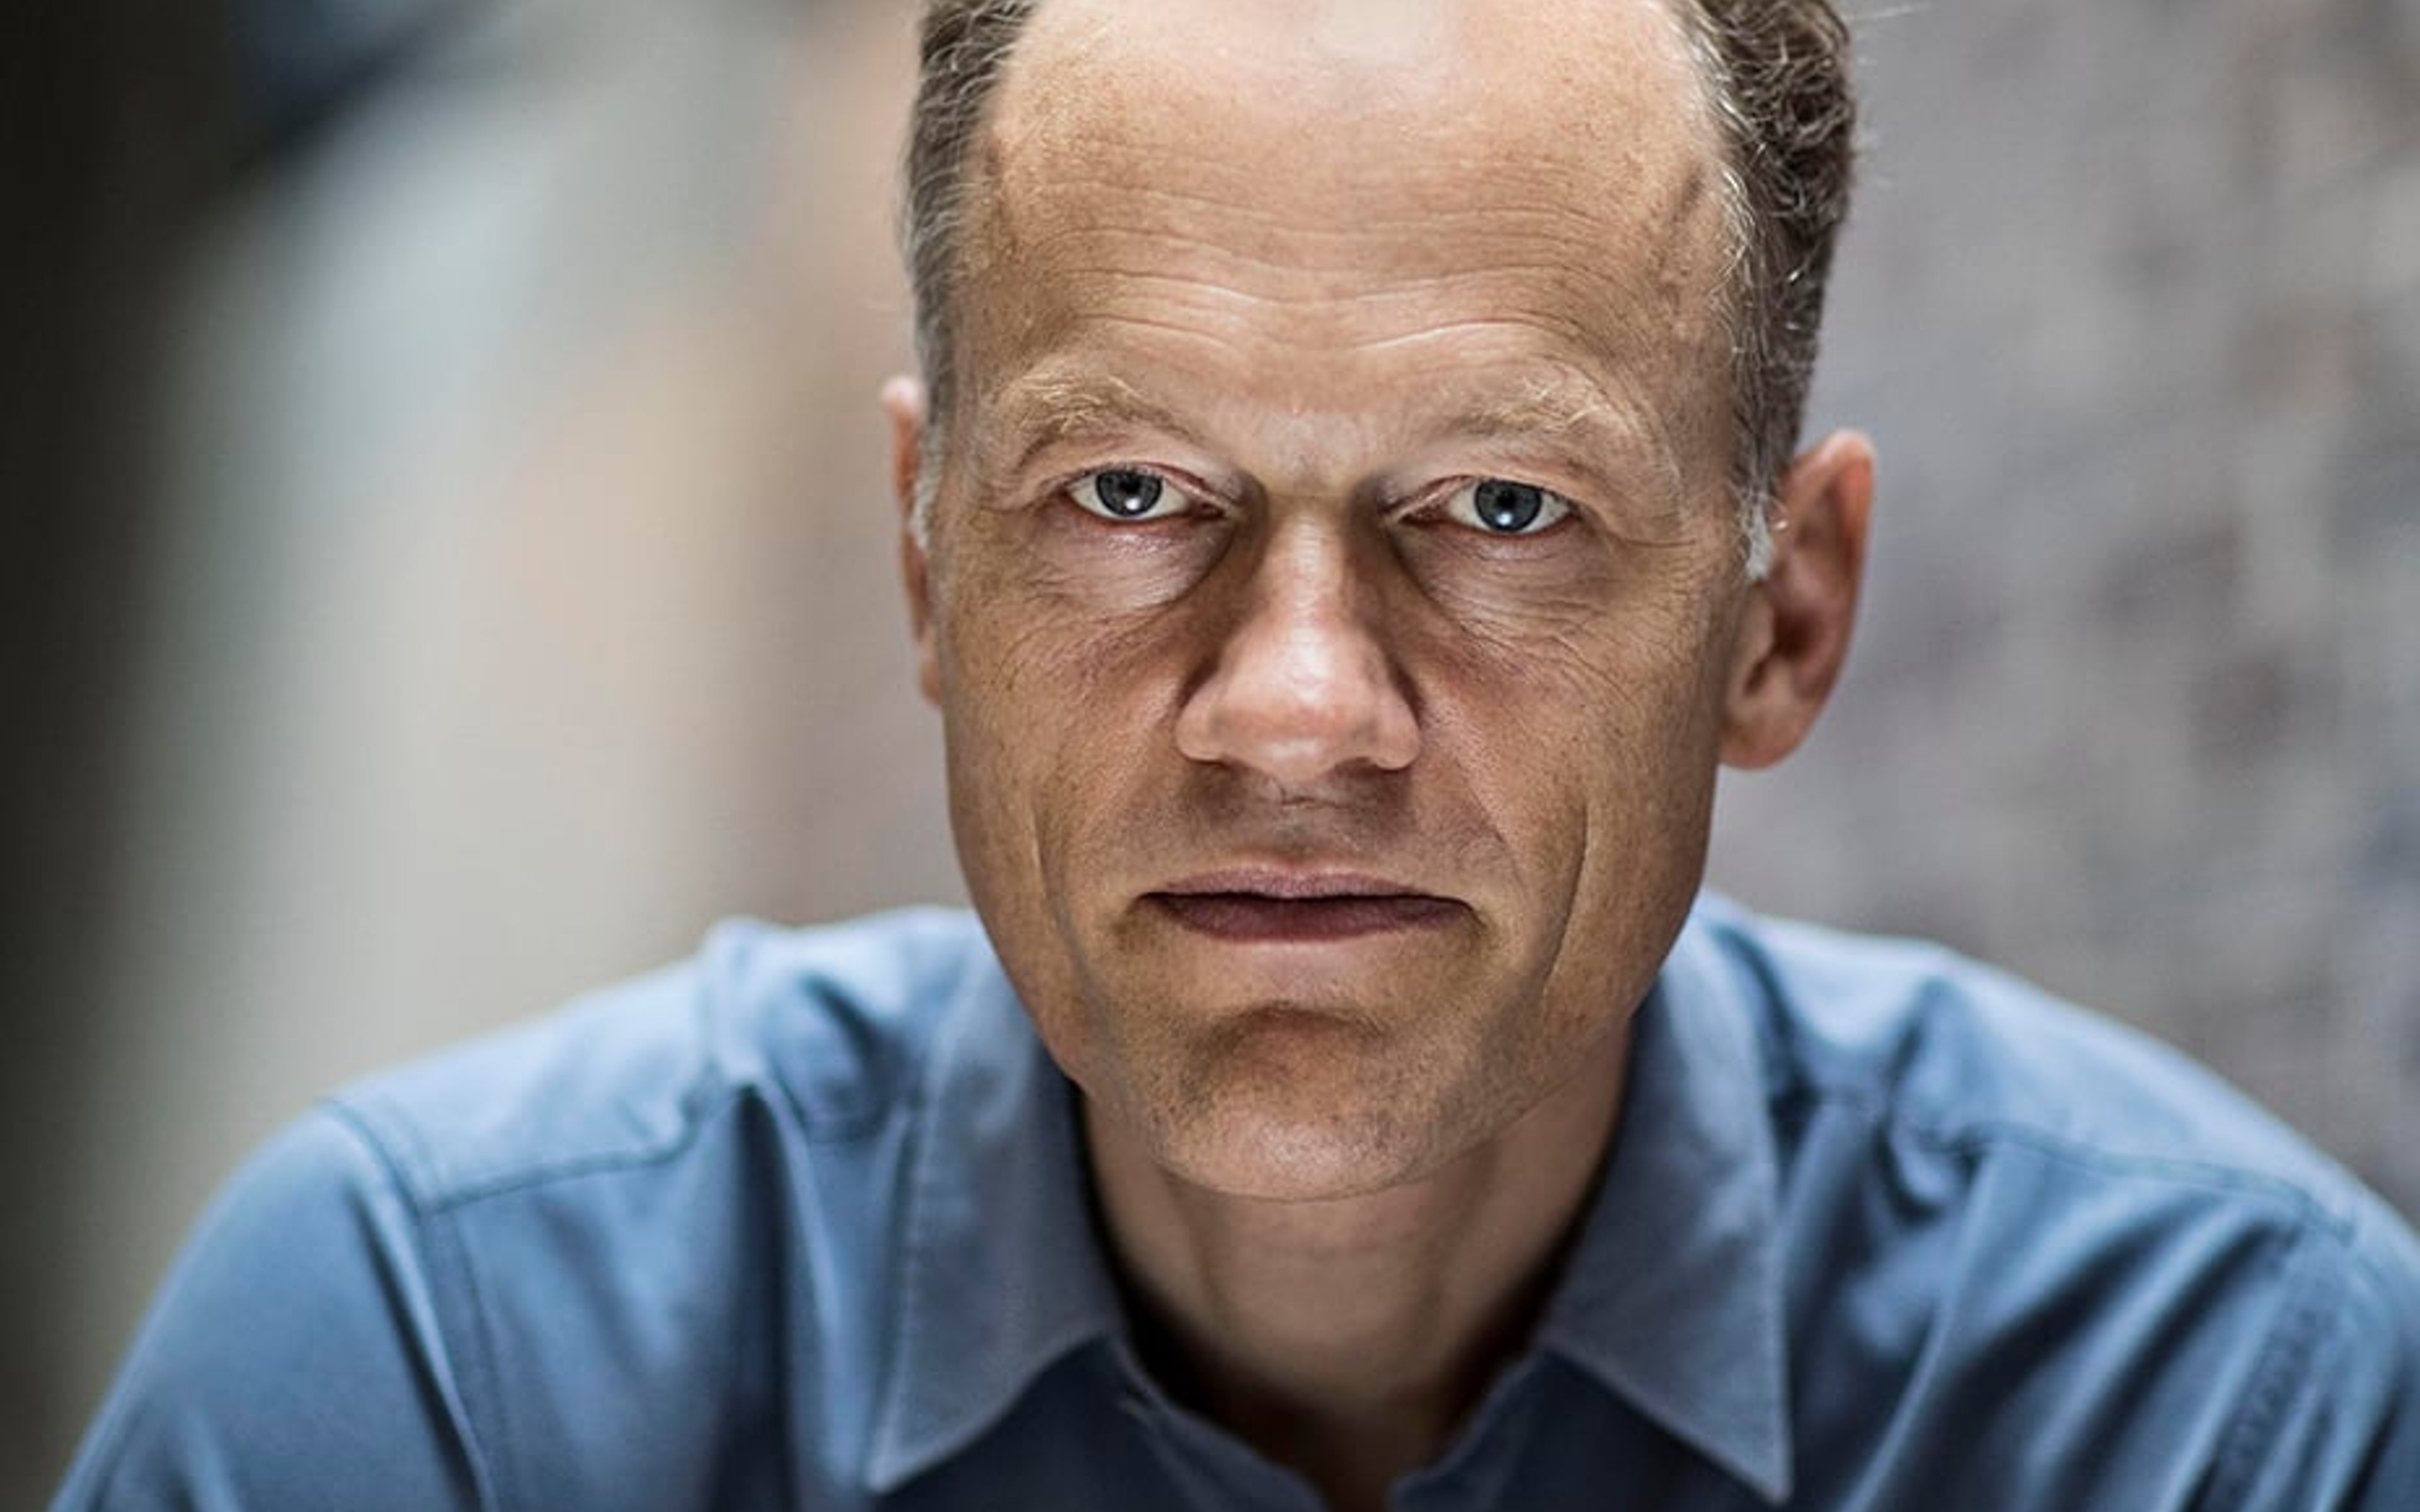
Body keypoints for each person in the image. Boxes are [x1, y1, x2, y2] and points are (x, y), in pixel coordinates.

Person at [53, 0, 2420, 1507]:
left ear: (1779, 620)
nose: (1296, 706)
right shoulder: (435, 1372)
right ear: (920, 574)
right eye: (1125, 496)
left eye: (1502, 506)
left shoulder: (2227, 1412)